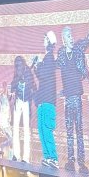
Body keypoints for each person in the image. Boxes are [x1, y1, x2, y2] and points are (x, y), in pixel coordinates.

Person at [55, 22, 89, 174]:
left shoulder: (78, 49)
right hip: (67, 98)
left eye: (71, 35)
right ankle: (70, 160)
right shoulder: (61, 53)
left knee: (79, 130)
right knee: (69, 131)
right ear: (63, 39)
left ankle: (82, 163)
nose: (71, 38)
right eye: (68, 36)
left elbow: (88, 40)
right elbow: (54, 65)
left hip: (77, 97)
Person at [33, 31, 59, 169]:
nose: (43, 40)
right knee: (42, 129)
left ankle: (53, 158)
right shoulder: (46, 58)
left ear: (49, 41)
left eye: (44, 38)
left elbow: (42, 74)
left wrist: (37, 64)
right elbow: (40, 76)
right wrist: (37, 65)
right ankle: (47, 157)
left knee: (46, 129)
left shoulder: (49, 58)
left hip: (48, 102)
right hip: (43, 101)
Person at [10, 56, 36, 164]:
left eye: (19, 64)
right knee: (15, 129)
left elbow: (33, 86)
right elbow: (12, 86)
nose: (18, 66)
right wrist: (14, 87)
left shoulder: (28, 73)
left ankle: (26, 158)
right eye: (17, 65)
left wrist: (26, 80)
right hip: (18, 102)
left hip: (26, 103)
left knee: (26, 130)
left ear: (23, 64)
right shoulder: (16, 74)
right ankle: (16, 154)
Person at [0, 81, 13, 161]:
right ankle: (2, 147)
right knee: (11, 139)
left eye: (6, 87)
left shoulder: (7, 97)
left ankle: (3, 149)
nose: (5, 89)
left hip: (7, 120)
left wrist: (10, 116)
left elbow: (9, 108)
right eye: (5, 87)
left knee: (11, 139)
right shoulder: (1, 97)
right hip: (4, 120)